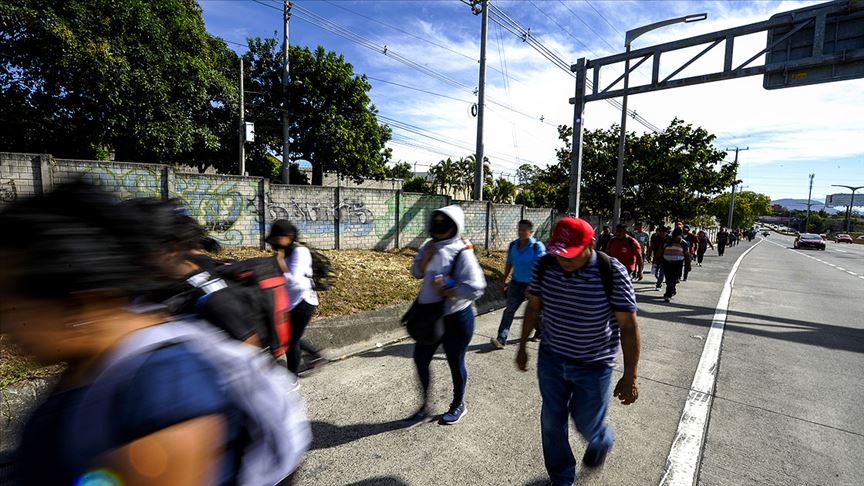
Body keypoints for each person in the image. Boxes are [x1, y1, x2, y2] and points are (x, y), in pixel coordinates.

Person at [0, 181, 309, 485]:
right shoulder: (91, 368)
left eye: (11, 304)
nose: (7, 325)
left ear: (76, 304)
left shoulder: (163, 389)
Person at [515, 217, 640, 486]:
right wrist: (522, 346)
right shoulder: (545, 265)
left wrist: (630, 375)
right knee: (551, 421)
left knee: (586, 422)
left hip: (594, 365)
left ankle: (600, 438)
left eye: (570, 254)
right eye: (560, 254)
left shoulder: (612, 272)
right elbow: (533, 307)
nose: (564, 260)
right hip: (551, 358)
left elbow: (628, 326)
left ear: (590, 245)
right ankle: (561, 477)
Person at [409, 205, 486, 425]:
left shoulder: (462, 250)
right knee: (420, 359)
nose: (439, 228)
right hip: (430, 317)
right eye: (437, 222)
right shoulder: (429, 245)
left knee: (455, 362)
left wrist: (450, 291)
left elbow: (477, 287)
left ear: (455, 226)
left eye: (445, 224)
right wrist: (426, 257)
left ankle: (458, 404)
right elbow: (416, 272)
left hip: (457, 318)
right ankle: (424, 406)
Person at [267, 220, 327, 374]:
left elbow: (295, 282)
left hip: (303, 302)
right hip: (290, 303)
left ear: (288, 236)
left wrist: (280, 263)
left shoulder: (300, 252)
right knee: (290, 337)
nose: (273, 242)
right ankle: (316, 356)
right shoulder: (285, 252)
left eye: (276, 238)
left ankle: (292, 378)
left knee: (290, 341)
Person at [492, 219, 546, 349]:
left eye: (524, 230)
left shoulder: (537, 246)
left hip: (533, 285)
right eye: (519, 229)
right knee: (509, 310)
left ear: (531, 232)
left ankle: (540, 330)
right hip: (516, 284)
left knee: (535, 312)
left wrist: (533, 285)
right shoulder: (513, 245)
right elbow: (509, 263)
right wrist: (504, 280)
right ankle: (501, 339)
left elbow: (541, 268)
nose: (520, 232)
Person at [662, 228, 690, 303]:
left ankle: (668, 295)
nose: (675, 238)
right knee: (668, 279)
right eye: (674, 236)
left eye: (677, 236)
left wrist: (688, 265)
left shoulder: (683, 243)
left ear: (680, 235)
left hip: (677, 263)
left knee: (673, 278)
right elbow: (661, 250)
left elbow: (687, 255)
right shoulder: (667, 241)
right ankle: (671, 290)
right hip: (666, 262)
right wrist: (656, 259)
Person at [650, 226, 669, 291]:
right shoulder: (655, 237)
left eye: (664, 232)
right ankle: (659, 280)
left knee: (662, 272)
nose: (662, 234)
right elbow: (652, 246)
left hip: (665, 258)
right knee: (655, 272)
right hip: (656, 257)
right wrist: (649, 254)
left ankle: (659, 285)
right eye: (661, 232)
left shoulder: (669, 239)